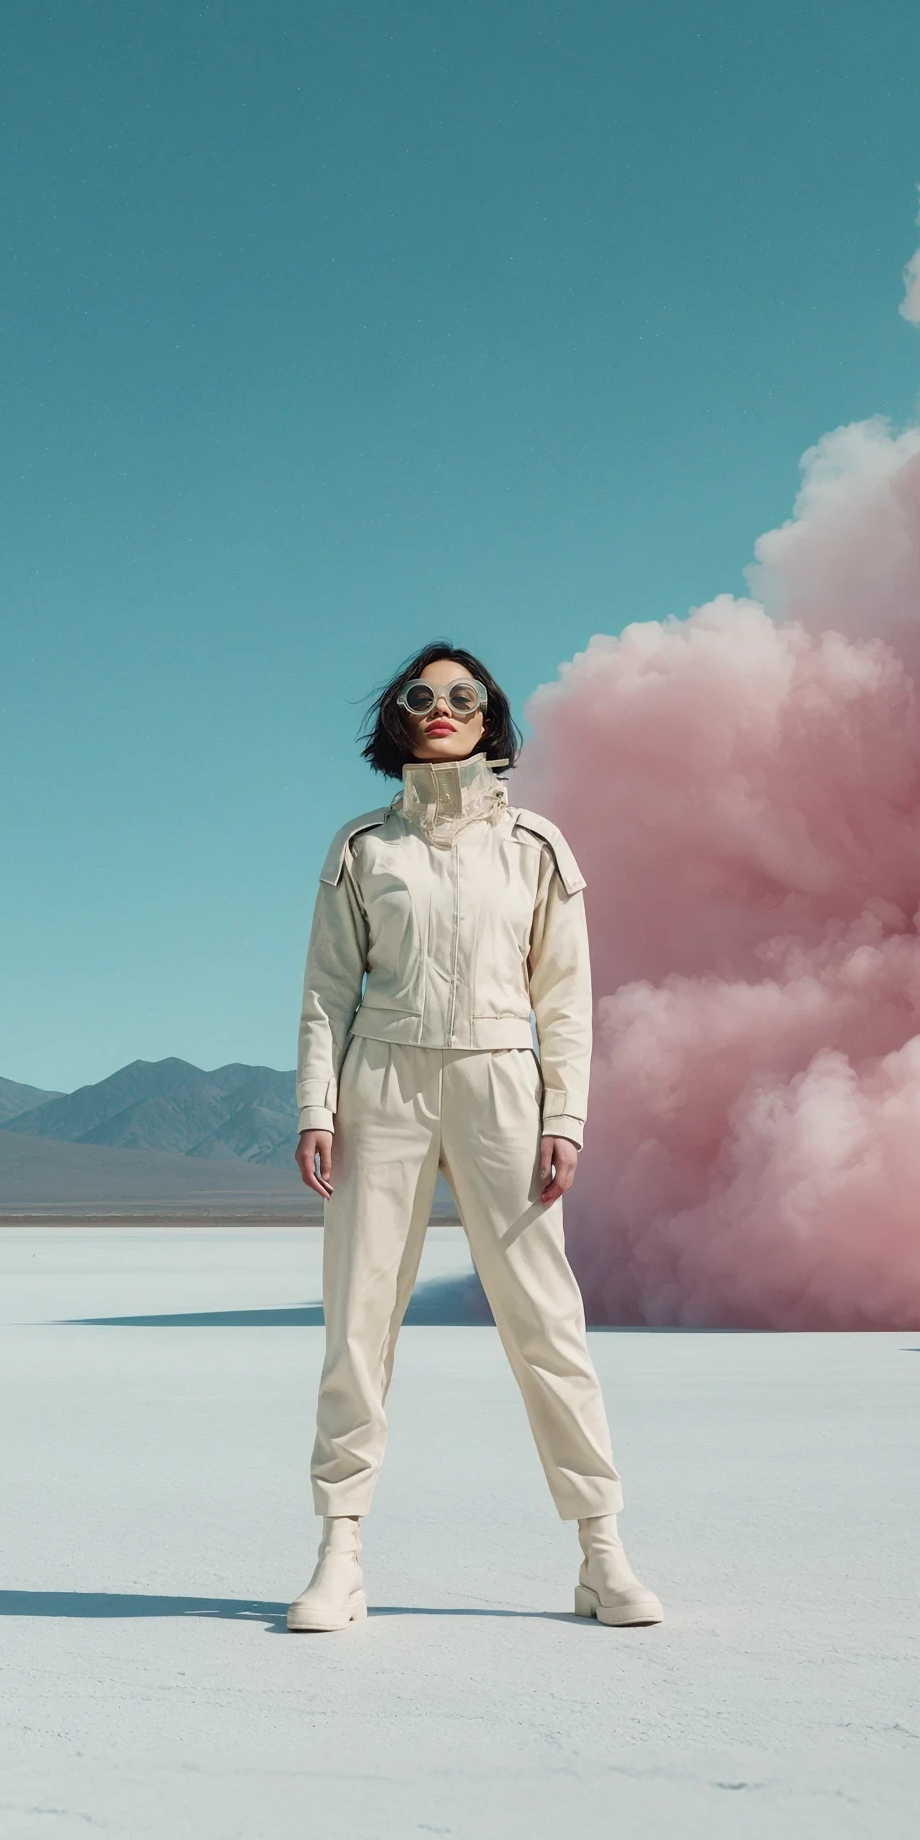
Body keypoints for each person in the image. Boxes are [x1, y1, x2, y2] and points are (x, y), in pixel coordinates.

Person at [284, 642, 660, 1632]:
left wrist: (565, 1117)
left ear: (492, 717)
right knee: (356, 1326)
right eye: (422, 695)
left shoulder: (537, 849)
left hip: (503, 1082)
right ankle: (340, 1552)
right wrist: (317, 1107)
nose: (441, 707)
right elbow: (327, 994)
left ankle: (601, 1551)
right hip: (385, 1083)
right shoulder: (364, 848)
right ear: (398, 717)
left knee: (546, 1322)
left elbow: (564, 1001)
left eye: (463, 695)